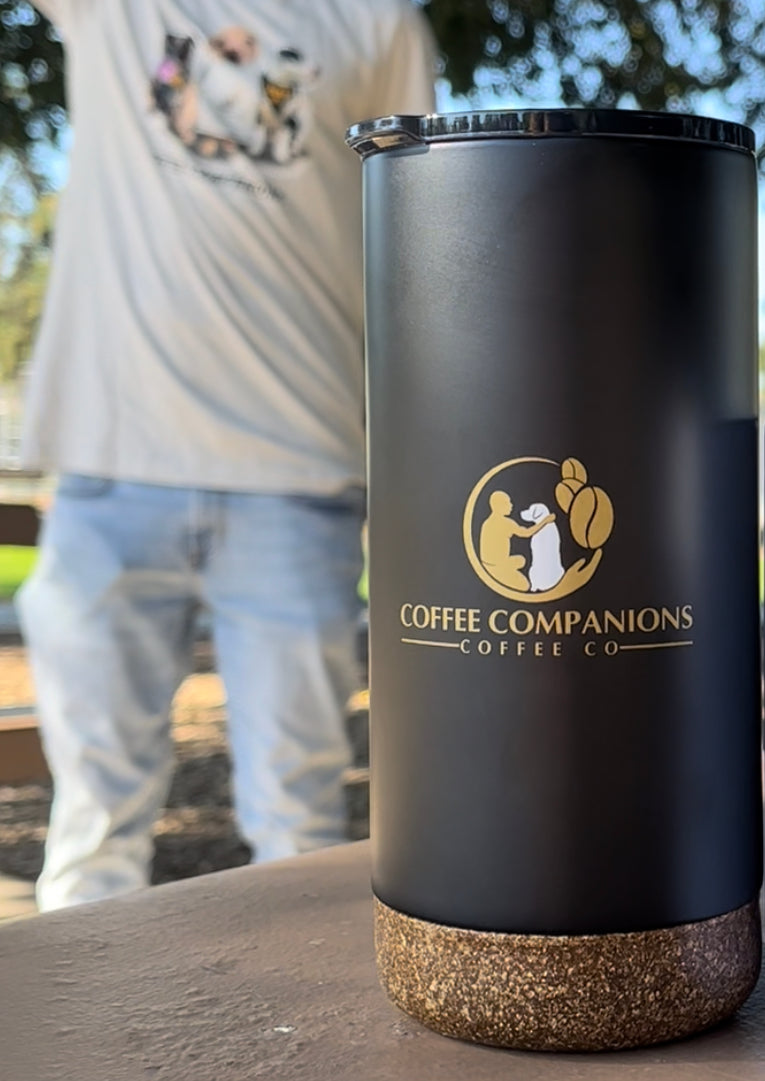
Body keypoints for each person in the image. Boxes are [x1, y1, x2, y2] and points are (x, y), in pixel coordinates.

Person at [18, 0, 436, 911]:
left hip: (301, 471)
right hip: (112, 459)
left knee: (300, 827)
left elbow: (416, 210)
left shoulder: (378, 24)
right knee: (92, 824)